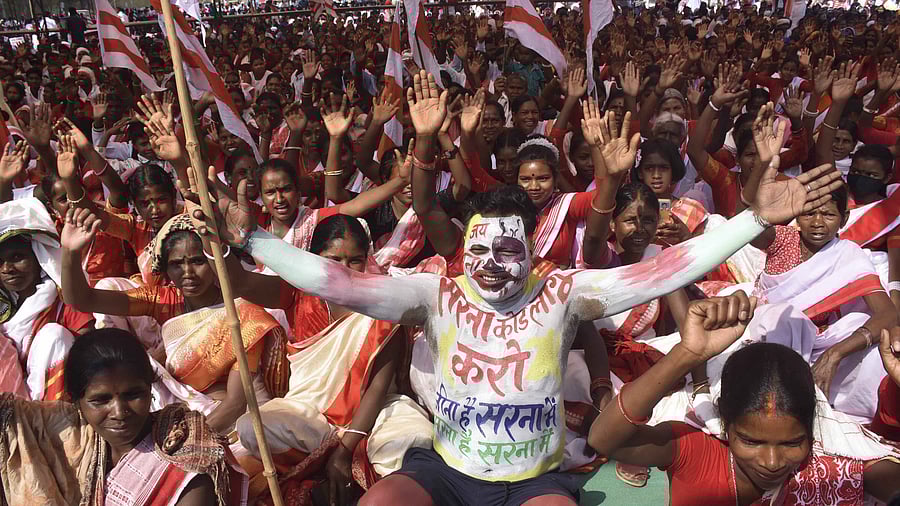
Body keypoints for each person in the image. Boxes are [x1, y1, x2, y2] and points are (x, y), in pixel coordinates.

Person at [190, 70, 842, 506]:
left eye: (509, 246)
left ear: (531, 249)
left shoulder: (563, 292)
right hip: (442, 472)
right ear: (462, 248)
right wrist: (251, 240)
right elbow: (335, 280)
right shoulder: (432, 294)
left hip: (536, 480)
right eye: (479, 246)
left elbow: (665, 269)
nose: (492, 260)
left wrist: (755, 218)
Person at [587, 293, 900, 505]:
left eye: (793, 443)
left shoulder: (830, 464)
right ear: (725, 421)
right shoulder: (697, 451)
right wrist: (688, 354)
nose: (772, 462)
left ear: (813, 427)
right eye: (751, 441)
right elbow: (605, 440)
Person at [60, 210, 288, 435]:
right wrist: (70, 253)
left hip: (233, 423)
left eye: (198, 261)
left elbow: (236, 404)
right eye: (177, 264)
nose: (188, 273)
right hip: (181, 418)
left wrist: (183, 441)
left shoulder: (242, 315)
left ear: (214, 260)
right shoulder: (165, 301)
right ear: (166, 268)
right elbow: (84, 299)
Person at [0, 328, 245, 504]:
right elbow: (11, 420)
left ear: (150, 390)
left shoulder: (186, 458)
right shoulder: (70, 436)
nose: (119, 413)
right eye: (101, 400)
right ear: (76, 402)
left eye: (133, 394)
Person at [0, 197, 93, 401]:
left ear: (38, 256)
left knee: (53, 336)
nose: (7, 269)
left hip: (55, 404)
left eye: (17, 258)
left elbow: (89, 347)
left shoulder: (64, 298)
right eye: (0, 262)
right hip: (8, 401)